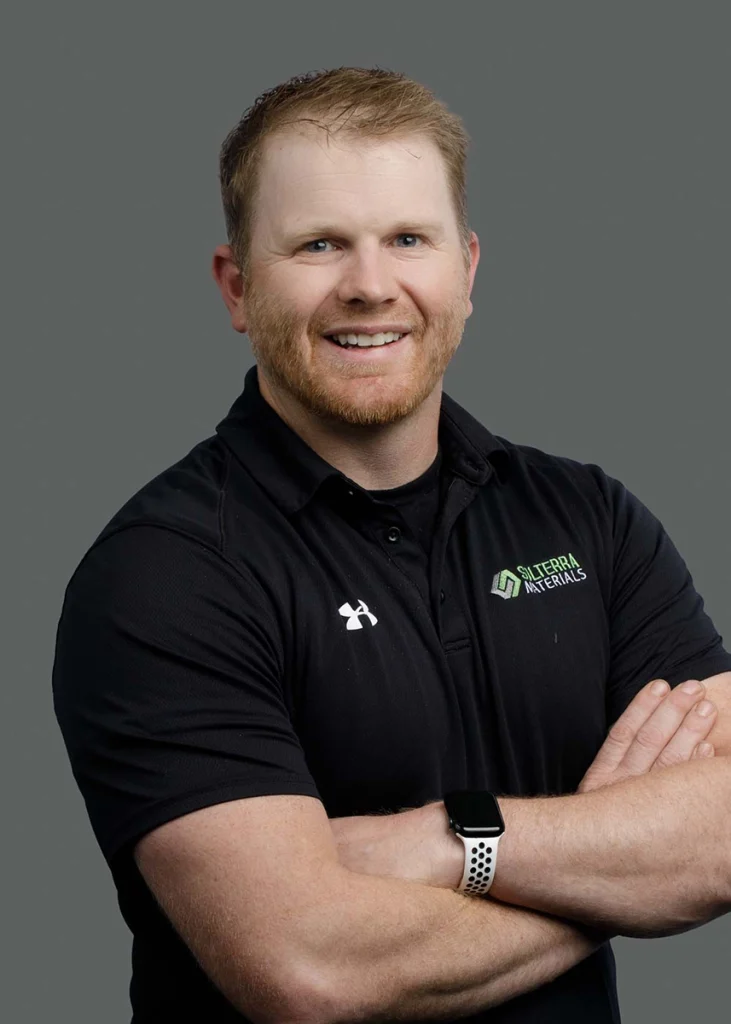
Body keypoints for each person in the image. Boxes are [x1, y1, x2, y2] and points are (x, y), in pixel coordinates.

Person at [52, 67, 731, 1023]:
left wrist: (454, 841)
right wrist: (615, 876)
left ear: (467, 270)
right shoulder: (163, 574)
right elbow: (310, 969)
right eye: (320, 244)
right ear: (237, 288)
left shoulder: (589, 518)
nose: (371, 287)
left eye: (408, 239)